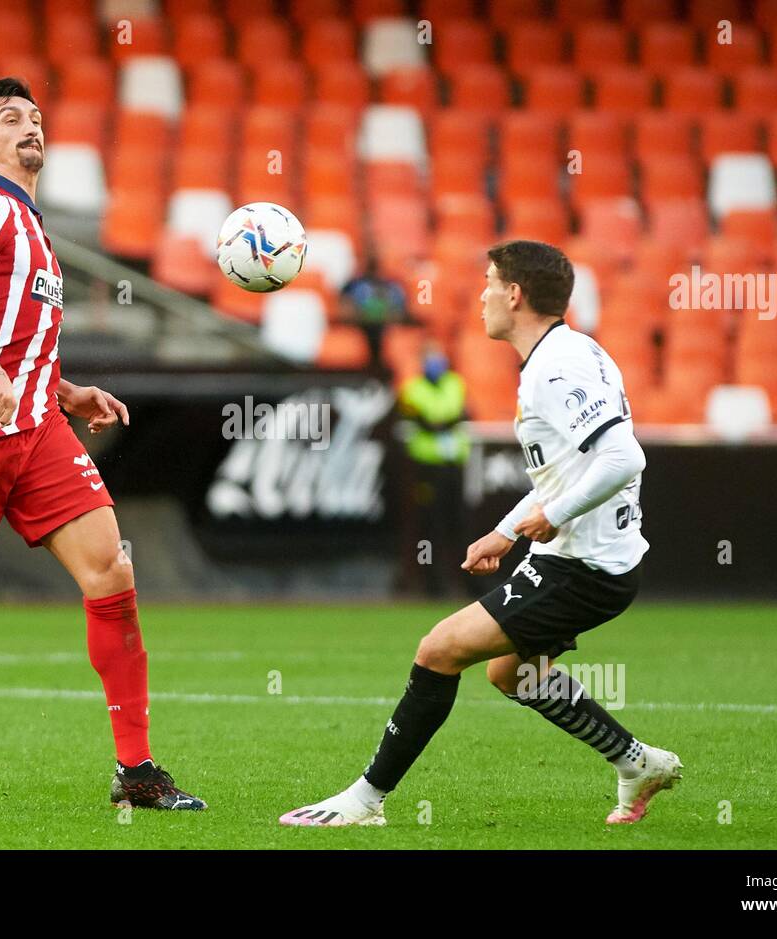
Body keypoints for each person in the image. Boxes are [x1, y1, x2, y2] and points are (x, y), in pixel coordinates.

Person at [279, 240, 681, 827]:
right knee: (510, 672)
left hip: (585, 566)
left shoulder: (556, 366)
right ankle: (636, 761)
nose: (483, 296)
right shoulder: (573, 352)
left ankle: (365, 801)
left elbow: (624, 457)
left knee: (438, 650)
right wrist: (506, 531)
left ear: (515, 295)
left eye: (490, 283)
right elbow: (569, 468)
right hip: (591, 558)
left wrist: (556, 514)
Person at [0, 77, 205, 811]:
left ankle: (137, 770)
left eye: (36, 115)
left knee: (111, 572)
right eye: (9, 118)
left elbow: (17, 339)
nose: (30, 124)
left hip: (38, 433)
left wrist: (65, 391)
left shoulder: (34, 227)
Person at [395, 342, 469, 597]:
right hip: (426, 466)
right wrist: (440, 423)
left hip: (453, 463)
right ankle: (432, 583)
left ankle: (463, 580)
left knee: (458, 523)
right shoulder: (412, 389)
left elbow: (458, 415)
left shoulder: (455, 383)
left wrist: (438, 423)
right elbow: (422, 421)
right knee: (430, 526)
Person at [339, 254, 409, 367]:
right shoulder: (355, 285)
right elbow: (345, 306)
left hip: (386, 330)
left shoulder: (393, 286)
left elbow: (400, 312)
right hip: (361, 328)